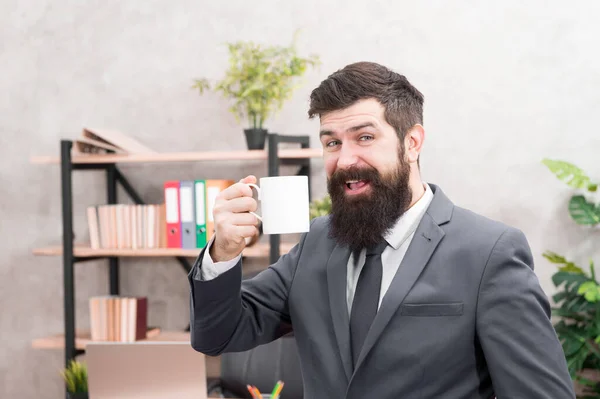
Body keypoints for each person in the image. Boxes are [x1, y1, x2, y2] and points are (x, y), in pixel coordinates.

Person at [188, 61, 575, 398]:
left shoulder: (489, 253)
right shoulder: (317, 243)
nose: (345, 159)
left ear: (412, 142)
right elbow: (217, 335)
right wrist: (222, 252)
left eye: (365, 137)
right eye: (332, 142)